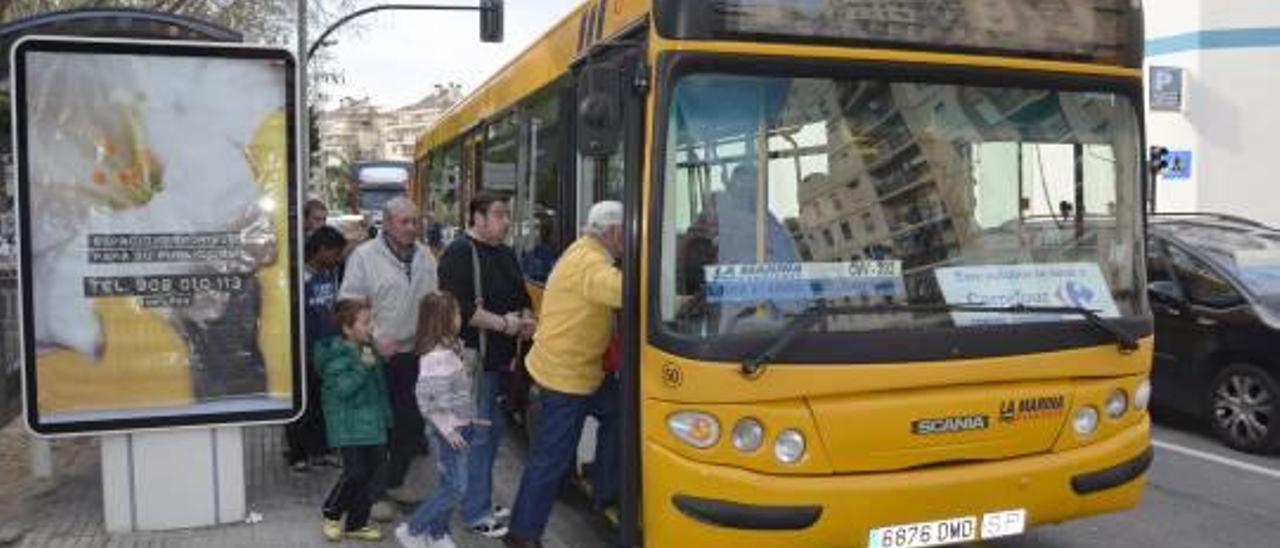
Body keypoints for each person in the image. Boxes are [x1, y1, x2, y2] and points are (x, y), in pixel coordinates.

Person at [503, 201, 624, 548]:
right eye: (624, 235)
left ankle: (607, 491)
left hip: (577, 370)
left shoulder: (582, 249)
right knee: (550, 460)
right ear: (614, 232)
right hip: (567, 377)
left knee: (618, 414)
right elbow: (623, 291)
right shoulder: (591, 261)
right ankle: (522, 535)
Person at [437, 192, 534, 538]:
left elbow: (521, 296)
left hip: (500, 362)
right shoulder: (461, 252)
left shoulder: (506, 253)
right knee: (477, 437)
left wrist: (525, 317)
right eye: (499, 215)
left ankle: (479, 498)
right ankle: (475, 512)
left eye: (507, 215)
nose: (506, 221)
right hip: (473, 363)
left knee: (491, 437)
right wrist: (505, 324)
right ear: (477, 218)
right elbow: (457, 308)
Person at [339, 196, 439, 509]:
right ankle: (371, 494)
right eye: (404, 222)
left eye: (416, 221)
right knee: (375, 423)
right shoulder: (364, 257)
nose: (412, 228)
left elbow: (434, 301)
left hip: (413, 354)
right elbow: (348, 306)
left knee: (409, 423)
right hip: (374, 353)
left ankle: (391, 483)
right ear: (387, 223)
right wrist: (375, 339)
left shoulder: (425, 256)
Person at [395, 292, 505, 548]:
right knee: (456, 487)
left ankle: (435, 533)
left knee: (450, 482)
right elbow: (428, 400)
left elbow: (452, 393)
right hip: (449, 432)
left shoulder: (449, 347)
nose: (460, 317)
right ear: (443, 320)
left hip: (460, 427)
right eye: (456, 313)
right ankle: (412, 529)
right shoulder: (436, 357)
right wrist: (448, 428)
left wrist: (471, 419)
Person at [318, 299, 392, 542]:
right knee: (355, 473)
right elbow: (343, 390)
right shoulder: (335, 354)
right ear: (347, 329)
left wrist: (386, 418)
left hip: (373, 423)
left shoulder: (367, 347)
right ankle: (331, 513)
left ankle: (356, 524)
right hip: (348, 426)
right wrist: (363, 367)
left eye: (371, 321)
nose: (371, 327)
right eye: (366, 322)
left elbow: (379, 388)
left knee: (373, 475)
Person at [287, 226, 347, 472]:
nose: (338, 259)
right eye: (335, 253)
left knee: (324, 401)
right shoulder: (298, 276)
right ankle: (298, 453)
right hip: (304, 350)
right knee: (303, 402)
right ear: (321, 250)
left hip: (328, 348)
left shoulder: (330, 274)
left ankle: (321, 450)